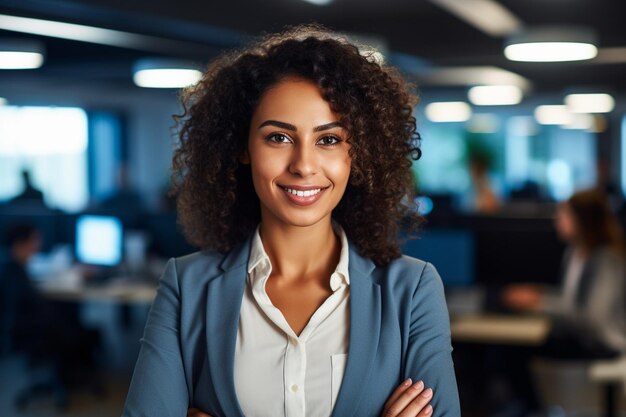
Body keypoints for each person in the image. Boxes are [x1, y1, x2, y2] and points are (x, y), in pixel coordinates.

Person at [123, 24, 459, 417]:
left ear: (359, 152)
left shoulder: (412, 290)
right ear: (242, 147)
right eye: (278, 138)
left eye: (328, 140)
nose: (303, 165)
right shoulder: (187, 287)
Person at [501, 188, 626, 413]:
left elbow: (590, 317)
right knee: (512, 346)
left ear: (583, 219)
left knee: (517, 349)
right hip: (582, 335)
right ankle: (532, 407)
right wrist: (539, 295)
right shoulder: (575, 251)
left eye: (565, 215)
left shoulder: (604, 258)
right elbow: (570, 299)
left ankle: (532, 408)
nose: (558, 220)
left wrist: (539, 304)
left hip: (602, 341)